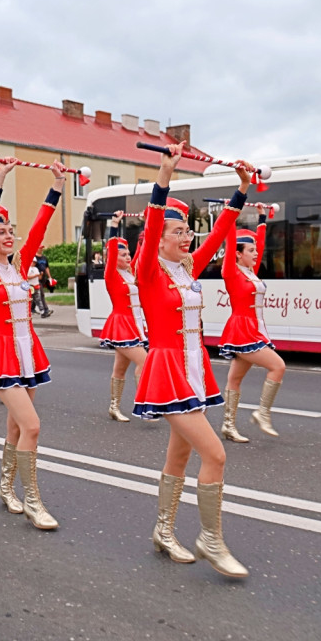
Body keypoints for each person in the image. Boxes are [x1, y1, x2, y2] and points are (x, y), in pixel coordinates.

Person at [134, 142, 251, 577]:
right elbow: (150, 224)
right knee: (215, 455)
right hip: (167, 370)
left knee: (179, 459)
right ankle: (211, 538)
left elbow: (221, 233)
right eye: (177, 233)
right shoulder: (148, 271)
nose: (186, 238)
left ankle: (163, 530)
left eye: (187, 232)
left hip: (195, 369)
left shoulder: (187, 269)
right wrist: (164, 176)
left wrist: (241, 190)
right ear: (159, 240)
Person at [0, 157, 63, 528]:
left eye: (11, 231)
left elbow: (39, 227)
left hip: (29, 352)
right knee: (33, 426)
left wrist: (56, 186)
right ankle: (33, 501)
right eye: (0, 231)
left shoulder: (19, 268)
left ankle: (7, 487)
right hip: (2, 353)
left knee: (16, 428)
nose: (9, 236)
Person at [218, 206, 286, 443]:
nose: (256, 253)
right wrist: (231, 215)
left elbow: (262, 245)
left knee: (234, 379)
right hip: (243, 329)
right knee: (278, 366)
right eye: (250, 250)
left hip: (254, 328)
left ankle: (228, 425)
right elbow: (229, 246)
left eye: (256, 250)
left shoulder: (250, 272)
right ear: (237, 253)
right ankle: (263, 413)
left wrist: (262, 219)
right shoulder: (231, 272)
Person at [99, 210, 148, 422]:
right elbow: (111, 251)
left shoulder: (130, 272)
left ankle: (114, 406)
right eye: (122, 255)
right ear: (112, 258)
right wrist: (114, 224)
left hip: (135, 325)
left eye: (128, 254)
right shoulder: (111, 275)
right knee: (145, 363)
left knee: (120, 369)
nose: (128, 258)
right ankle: (145, 404)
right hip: (121, 325)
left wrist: (147, 225)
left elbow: (142, 249)